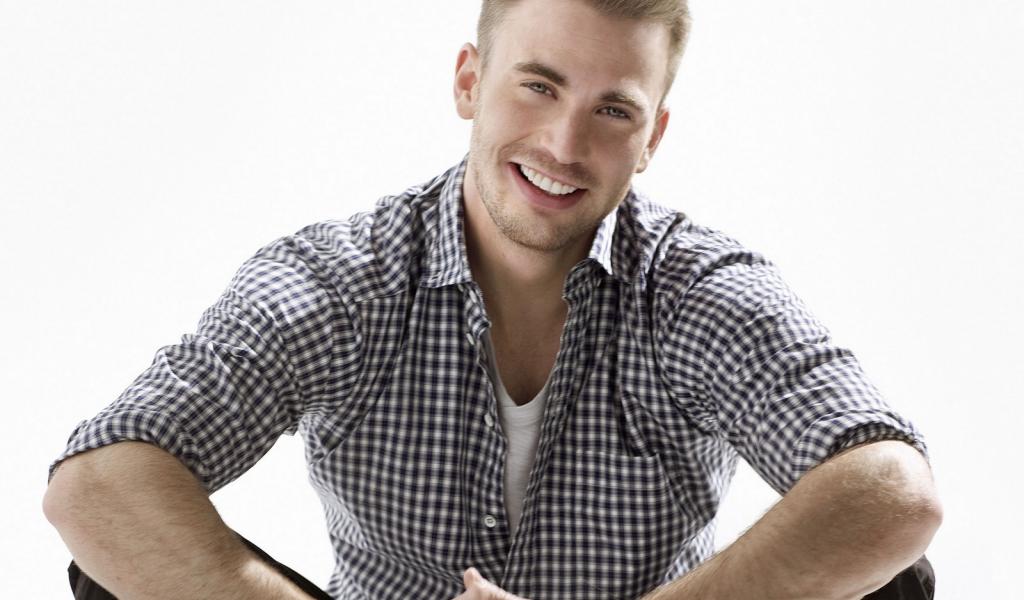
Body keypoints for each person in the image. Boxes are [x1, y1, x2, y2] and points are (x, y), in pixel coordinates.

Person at [42, 0, 942, 598]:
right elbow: (97, 485)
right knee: (117, 566)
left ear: (653, 136)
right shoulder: (343, 280)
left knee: (893, 578)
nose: (564, 144)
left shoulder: (697, 291)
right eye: (539, 86)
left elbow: (894, 492)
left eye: (613, 110)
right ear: (470, 81)